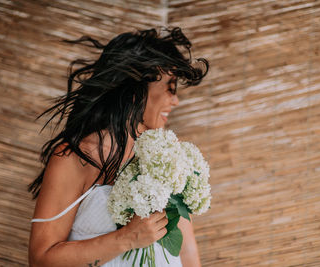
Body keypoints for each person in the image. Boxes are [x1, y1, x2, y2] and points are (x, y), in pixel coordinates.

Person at [27, 27, 209, 267]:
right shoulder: (75, 157)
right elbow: (41, 260)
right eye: (170, 87)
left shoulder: (169, 153)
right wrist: (126, 238)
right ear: (137, 88)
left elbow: (185, 250)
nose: (175, 100)